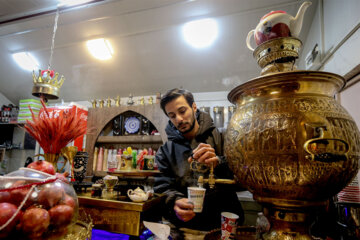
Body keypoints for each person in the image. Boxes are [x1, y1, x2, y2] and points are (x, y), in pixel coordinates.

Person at [154, 88, 244, 233]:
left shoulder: (223, 138)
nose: (178, 119)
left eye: (182, 111)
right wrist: (174, 201)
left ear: (194, 107)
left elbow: (243, 179)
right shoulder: (165, 151)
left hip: (223, 227)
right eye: (172, 116)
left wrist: (218, 163)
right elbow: (161, 187)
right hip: (185, 228)